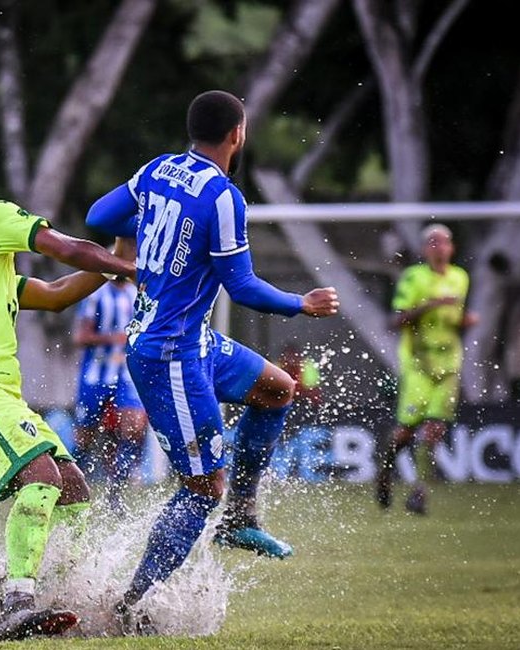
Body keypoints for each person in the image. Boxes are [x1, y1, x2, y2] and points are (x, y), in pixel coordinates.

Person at [84, 90, 339, 629]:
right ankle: (130, 606)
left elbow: (98, 215)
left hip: (192, 341)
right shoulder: (223, 197)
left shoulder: (159, 169)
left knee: (277, 389)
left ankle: (240, 516)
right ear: (237, 134)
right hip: (168, 353)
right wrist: (302, 303)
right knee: (202, 489)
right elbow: (241, 285)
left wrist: (156, 230)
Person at [0, 165, 136, 640]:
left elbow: (60, 294)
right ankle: (17, 600)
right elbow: (65, 250)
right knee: (41, 477)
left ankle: (63, 594)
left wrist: (120, 253)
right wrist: (134, 269)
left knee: (73, 486)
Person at [375, 224, 477, 515]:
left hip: (449, 364)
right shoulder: (414, 277)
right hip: (418, 364)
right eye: (433, 242)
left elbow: (452, 318)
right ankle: (385, 471)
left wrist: (464, 320)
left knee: (434, 429)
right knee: (406, 431)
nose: (439, 247)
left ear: (452, 248)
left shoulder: (461, 277)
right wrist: (432, 305)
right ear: (424, 250)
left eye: (444, 242)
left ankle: (420, 492)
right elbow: (396, 321)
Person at [70, 277, 148, 517]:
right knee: (85, 437)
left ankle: (116, 493)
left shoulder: (136, 294)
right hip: (95, 375)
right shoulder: (96, 294)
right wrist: (114, 339)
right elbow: (80, 338)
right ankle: (72, 490)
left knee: (134, 427)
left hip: (125, 375)